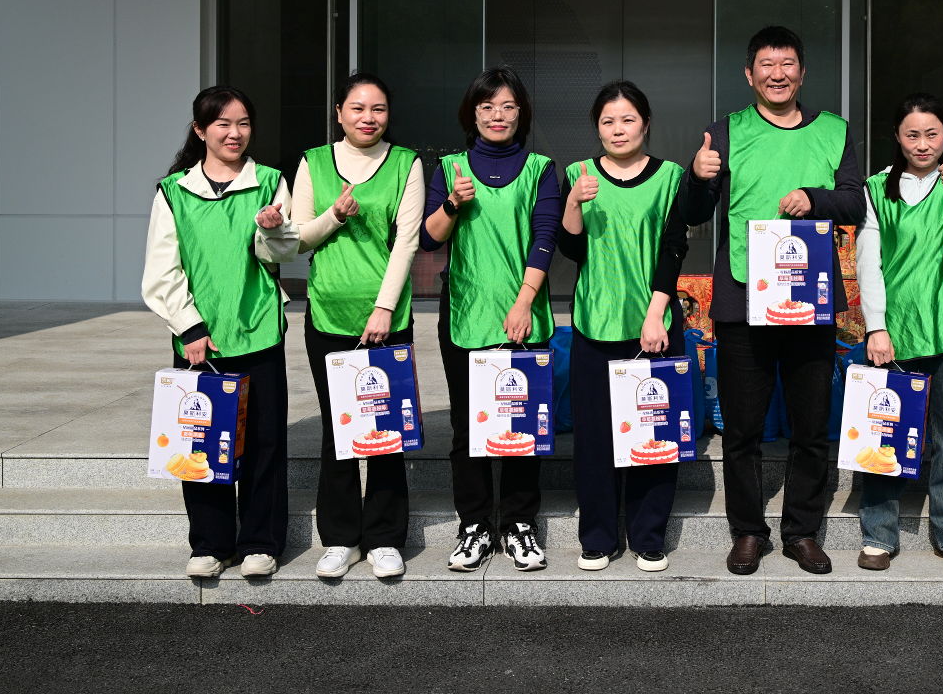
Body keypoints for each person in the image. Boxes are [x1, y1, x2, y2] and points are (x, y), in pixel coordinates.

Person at [680, 25, 865, 576]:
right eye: (766, 65)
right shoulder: (726, 132)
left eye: (787, 65)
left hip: (809, 297)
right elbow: (693, 212)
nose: (777, 74)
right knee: (742, 429)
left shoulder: (833, 130)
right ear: (749, 74)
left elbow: (854, 203)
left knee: (811, 426)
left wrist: (815, 197)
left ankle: (801, 532)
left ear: (802, 73)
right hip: (742, 298)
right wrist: (697, 177)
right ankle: (748, 532)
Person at [141, 85, 299, 579]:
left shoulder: (270, 181)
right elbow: (161, 271)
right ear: (200, 130)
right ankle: (210, 544)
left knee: (264, 444)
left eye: (243, 123)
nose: (235, 133)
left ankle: (260, 543)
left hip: (258, 329)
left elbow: (282, 253)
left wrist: (272, 227)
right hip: (199, 340)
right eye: (223, 124)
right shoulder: (173, 191)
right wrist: (189, 327)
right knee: (200, 444)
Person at [421, 66, 560, 573]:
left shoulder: (542, 168)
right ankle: (475, 525)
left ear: (521, 113)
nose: (497, 115)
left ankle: (519, 523)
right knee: (467, 427)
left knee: (521, 424)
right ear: (472, 113)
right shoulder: (450, 168)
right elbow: (429, 237)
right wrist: (453, 203)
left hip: (523, 314)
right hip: (465, 313)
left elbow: (546, 237)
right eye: (486, 107)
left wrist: (523, 302)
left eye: (507, 106)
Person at [290, 72, 424, 580]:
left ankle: (385, 537)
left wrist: (385, 307)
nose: (369, 118)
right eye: (359, 108)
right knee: (338, 428)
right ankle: (341, 538)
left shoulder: (406, 163)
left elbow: (407, 241)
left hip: (386, 317)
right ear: (339, 113)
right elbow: (298, 238)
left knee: (385, 428)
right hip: (328, 313)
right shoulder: (312, 162)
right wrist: (335, 216)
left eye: (379, 109)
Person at [557, 81, 689, 573]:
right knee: (594, 439)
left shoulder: (670, 176)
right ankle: (598, 537)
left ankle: (648, 537)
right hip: (595, 322)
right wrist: (573, 203)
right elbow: (571, 250)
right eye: (608, 121)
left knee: (654, 434)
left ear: (645, 124)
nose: (618, 129)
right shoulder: (578, 174)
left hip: (654, 326)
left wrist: (655, 314)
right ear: (597, 127)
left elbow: (674, 246)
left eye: (628, 119)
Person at [854, 93, 943, 572]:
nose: (923, 143)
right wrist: (876, 327)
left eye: (932, 133)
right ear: (897, 137)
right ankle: (878, 534)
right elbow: (869, 264)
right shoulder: (875, 188)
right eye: (913, 134)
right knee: (883, 433)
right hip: (895, 332)